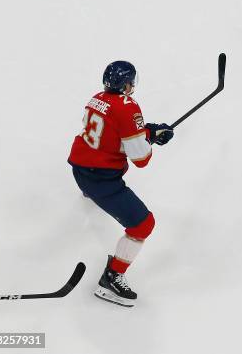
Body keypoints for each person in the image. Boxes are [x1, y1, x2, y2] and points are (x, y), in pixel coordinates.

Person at [68, 61, 174, 307]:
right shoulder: (129, 108)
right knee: (143, 225)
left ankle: (87, 193)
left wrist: (149, 131)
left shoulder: (97, 98)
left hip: (79, 169)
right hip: (101, 181)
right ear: (127, 84)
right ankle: (112, 278)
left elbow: (112, 132)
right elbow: (141, 159)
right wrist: (149, 142)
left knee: (91, 181)